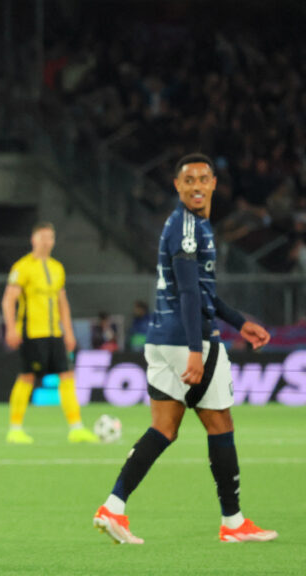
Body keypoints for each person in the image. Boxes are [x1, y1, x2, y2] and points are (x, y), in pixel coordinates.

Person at [93, 153, 278, 544]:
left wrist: (239, 322)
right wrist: (196, 349)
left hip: (163, 338)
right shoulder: (188, 227)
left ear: (213, 184)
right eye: (188, 180)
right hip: (188, 340)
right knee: (220, 424)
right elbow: (190, 292)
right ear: (177, 186)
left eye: (203, 179)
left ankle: (114, 506)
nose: (196, 186)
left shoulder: (189, 226)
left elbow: (203, 291)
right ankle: (233, 522)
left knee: (164, 429)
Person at [1, 222, 98, 444]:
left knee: (67, 376)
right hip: (32, 333)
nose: (47, 242)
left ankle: (76, 428)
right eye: (43, 237)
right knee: (27, 376)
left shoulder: (57, 268)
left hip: (55, 333)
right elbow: (8, 300)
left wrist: (69, 332)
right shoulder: (22, 267)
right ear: (33, 239)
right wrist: (11, 328)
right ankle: (15, 428)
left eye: (50, 238)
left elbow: (63, 303)